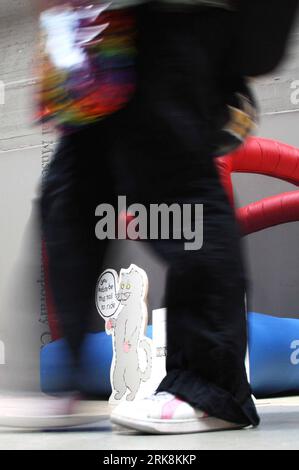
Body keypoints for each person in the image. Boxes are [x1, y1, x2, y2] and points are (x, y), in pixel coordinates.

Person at [1, 0, 298, 432]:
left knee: (177, 190)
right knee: (71, 197)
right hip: (98, 26)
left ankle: (211, 388)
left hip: (174, 17)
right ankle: (68, 380)